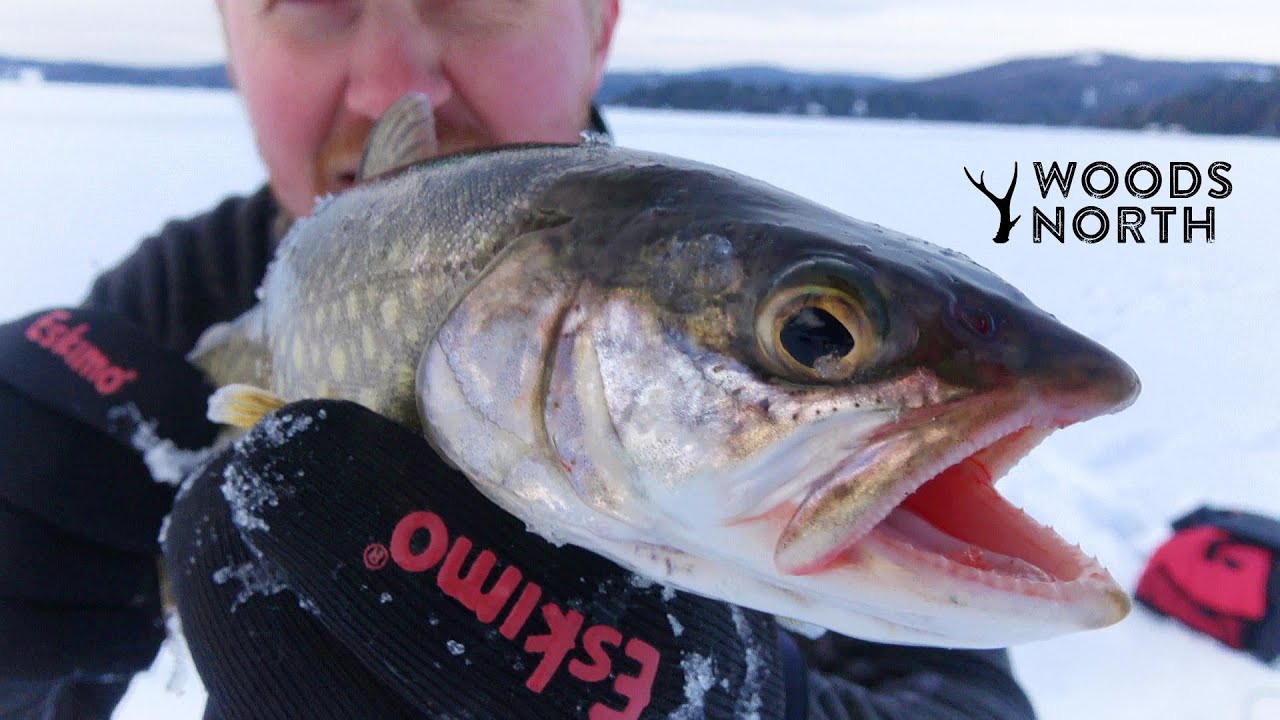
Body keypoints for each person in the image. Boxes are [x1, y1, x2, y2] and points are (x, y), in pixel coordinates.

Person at [0, 1, 1040, 718]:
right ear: (233, 43)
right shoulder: (167, 304)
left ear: (597, 30)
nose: (389, 83)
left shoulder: (735, 265)